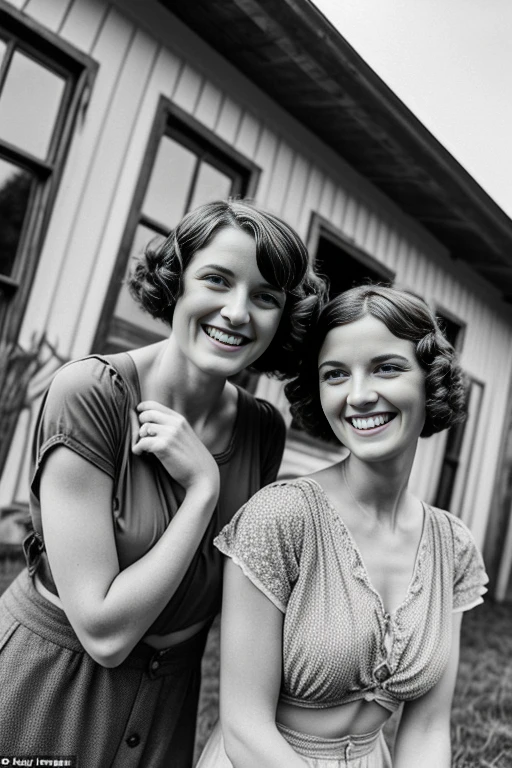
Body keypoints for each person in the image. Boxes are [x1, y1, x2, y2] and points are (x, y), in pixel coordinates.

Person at [0, 199, 326, 767]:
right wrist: (202, 492)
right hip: (53, 687)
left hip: (169, 706)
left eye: (265, 297)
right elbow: (103, 633)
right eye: (216, 280)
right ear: (176, 281)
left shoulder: (262, 430)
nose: (236, 312)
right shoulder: (91, 394)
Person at [197, 284, 489, 768]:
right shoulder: (281, 517)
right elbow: (244, 729)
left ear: (428, 380)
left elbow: (429, 726)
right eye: (335, 374)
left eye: (386, 368)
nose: (358, 395)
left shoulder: (451, 546)